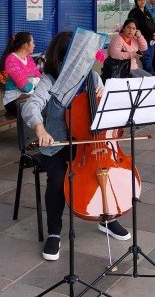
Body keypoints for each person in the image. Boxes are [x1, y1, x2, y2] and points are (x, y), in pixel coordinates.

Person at [21, 31, 131, 261]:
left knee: (104, 173)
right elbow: (32, 106)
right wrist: (40, 129)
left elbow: (106, 115)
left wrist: (106, 98)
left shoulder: (92, 78)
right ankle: (54, 232)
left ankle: (107, 218)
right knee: (58, 180)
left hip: (92, 144)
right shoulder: (50, 81)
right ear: (62, 59)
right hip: (58, 144)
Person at [0, 31, 41, 114]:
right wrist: (33, 81)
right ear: (26, 45)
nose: (34, 45)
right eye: (33, 42)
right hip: (14, 102)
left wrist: (30, 80)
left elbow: (40, 78)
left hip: (28, 98)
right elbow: (25, 88)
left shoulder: (28, 58)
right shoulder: (11, 60)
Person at [127, 0, 155, 74]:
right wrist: (152, 35)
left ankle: (149, 79)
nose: (142, 2)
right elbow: (137, 29)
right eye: (139, 0)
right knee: (147, 61)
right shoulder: (134, 13)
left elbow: (153, 24)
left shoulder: (146, 11)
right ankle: (150, 80)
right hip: (141, 41)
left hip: (151, 41)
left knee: (149, 61)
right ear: (136, 1)